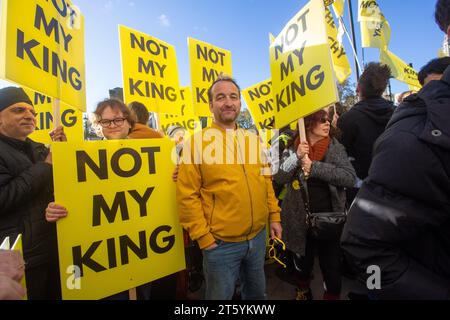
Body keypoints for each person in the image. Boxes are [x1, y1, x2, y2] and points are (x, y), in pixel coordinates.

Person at [340, 0, 450, 299]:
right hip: (382, 216)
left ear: (359, 91)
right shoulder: (413, 123)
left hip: (376, 208)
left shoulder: (409, 121)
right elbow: (365, 244)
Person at [46, 99, 177, 300]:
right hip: (108, 259)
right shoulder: (83, 157)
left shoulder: (158, 155)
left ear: (129, 123)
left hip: (144, 250)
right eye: (106, 122)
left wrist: (176, 178)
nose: (113, 125)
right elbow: (76, 200)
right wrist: (55, 209)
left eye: (118, 119)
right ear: (99, 127)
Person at [176, 75, 282, 300]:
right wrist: (204, 238)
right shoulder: (196, 143)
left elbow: (266, 180)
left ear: (240, 104)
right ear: (211, 105)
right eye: (221, 97)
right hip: (220, 245)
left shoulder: (253, 139)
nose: (228, 102)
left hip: (257, 237)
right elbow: (187, 196)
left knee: (256, 296)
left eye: (233, 97)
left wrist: (274, 216)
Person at [272, 110, 356, 300]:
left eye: (328, 120)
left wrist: (315, 167)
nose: (328, 123)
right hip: (299, 221)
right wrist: (296, 157)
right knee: (302, 266)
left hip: (330, 221)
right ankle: (303, 292)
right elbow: (279, 177)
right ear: (309, 124)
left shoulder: (335, 148)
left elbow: (349, 178)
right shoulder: (292, 148)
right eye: (322, 120)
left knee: (332, 270)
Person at [0, 87, 65, 299]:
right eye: (19, 110)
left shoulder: (41, 149)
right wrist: (46, 166)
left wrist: (65, 153)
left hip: (56, 251)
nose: (29, 115)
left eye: (32, 112)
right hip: (22, 260)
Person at [337, 62, 394, 205]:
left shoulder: (348, 119)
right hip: (394, 189)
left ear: (358, 88)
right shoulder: (399, 113)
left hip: (360, 194)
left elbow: (339, 155)